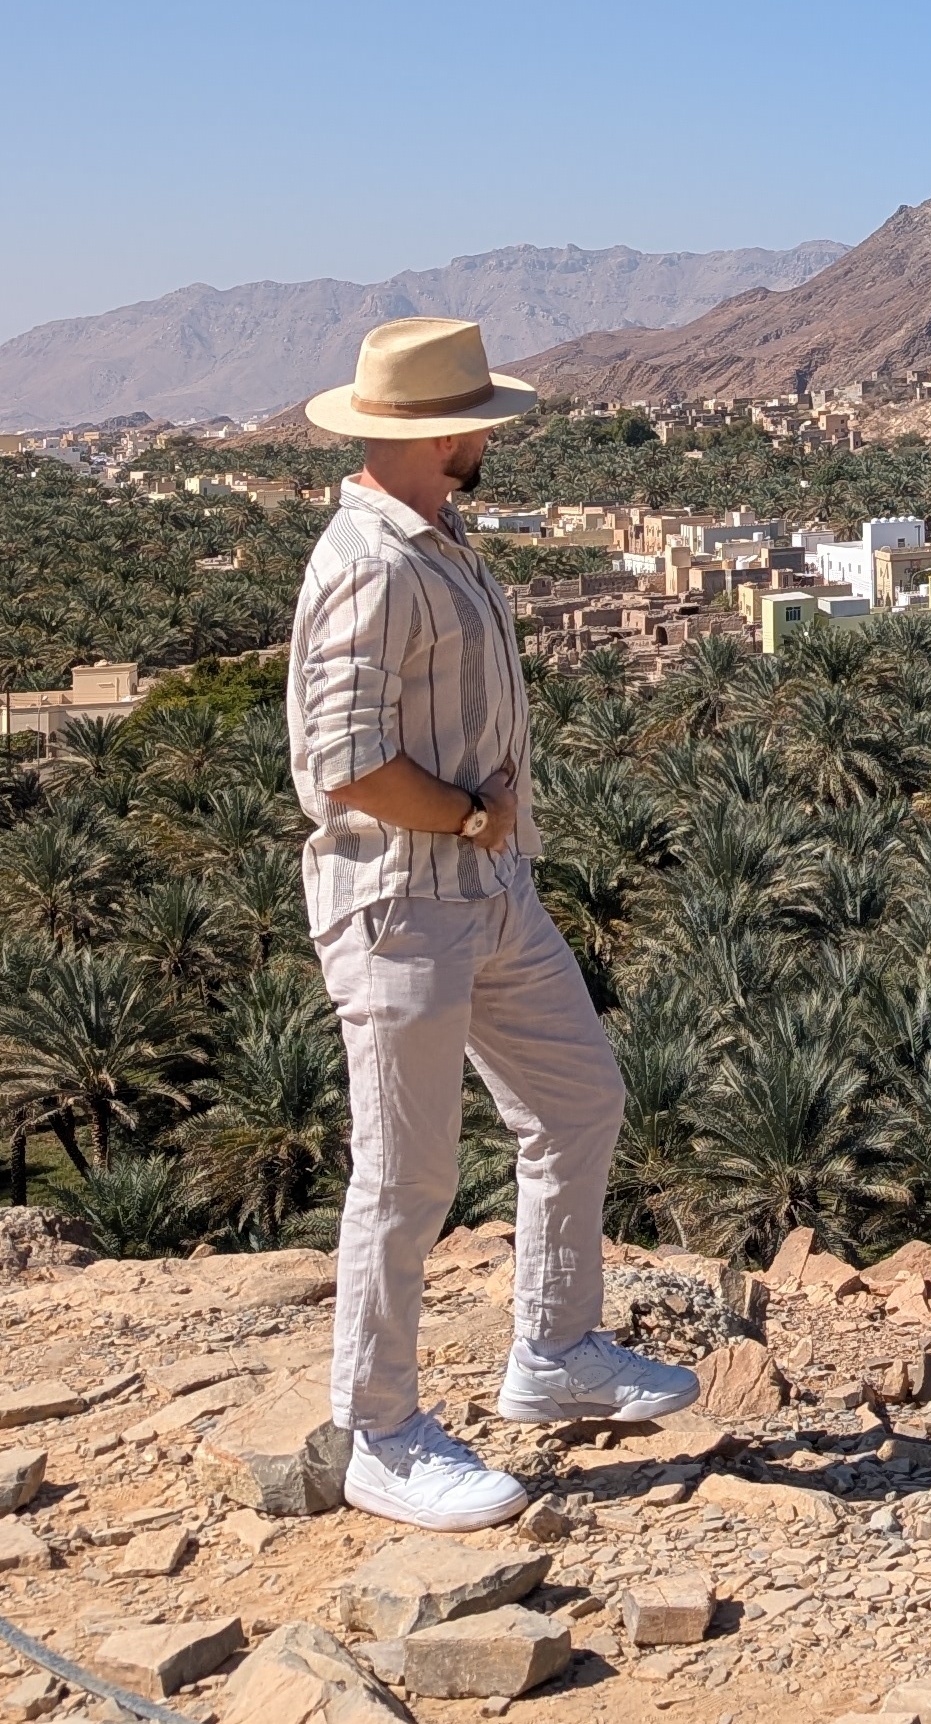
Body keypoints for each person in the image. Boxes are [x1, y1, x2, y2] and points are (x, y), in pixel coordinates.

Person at [289, 317, 697, 1531]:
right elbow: (346, 760)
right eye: (480, 422)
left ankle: (556, 1352)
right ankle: (378, 1432)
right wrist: (471, 815)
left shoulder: (438, 537)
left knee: (577, 1101)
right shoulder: (370, 560)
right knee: (405, 1177)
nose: (490, 440)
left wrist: (489, 839)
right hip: (404, 902)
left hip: (489, 892)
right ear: (441, 432)